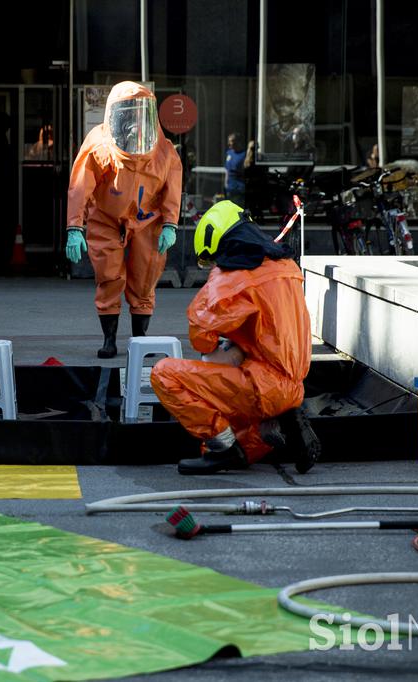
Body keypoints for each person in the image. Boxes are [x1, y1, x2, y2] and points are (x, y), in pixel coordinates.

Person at [149, 200, 322, 475]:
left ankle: (223, 448)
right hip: (293, 384)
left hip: (261, 387)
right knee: (246, 442)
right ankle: (273, 425)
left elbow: (202, 340)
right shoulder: (286, 267)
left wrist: (228, 343)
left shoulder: (231, 277)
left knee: (164, 374)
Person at [64, 81, 182, 358]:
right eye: (128, 114)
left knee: (145, 277)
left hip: (148, 220)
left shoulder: (164, 151)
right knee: (109, 276)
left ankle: (140, 341)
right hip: (107, 218)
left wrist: (169, 224)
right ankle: (110, 340)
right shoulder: (99, 143)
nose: (134, 122)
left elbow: (173, 189)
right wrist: (74, 226)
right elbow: (80, 185)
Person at [224, 132, 247, 207]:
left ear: (237, 142)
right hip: (229, 188)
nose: (229, 143)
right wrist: (225, 184)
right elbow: (227, 170)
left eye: (231, 141)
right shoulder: (229, 153)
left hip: (239, 188)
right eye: (228, 141)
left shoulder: (244, 155)